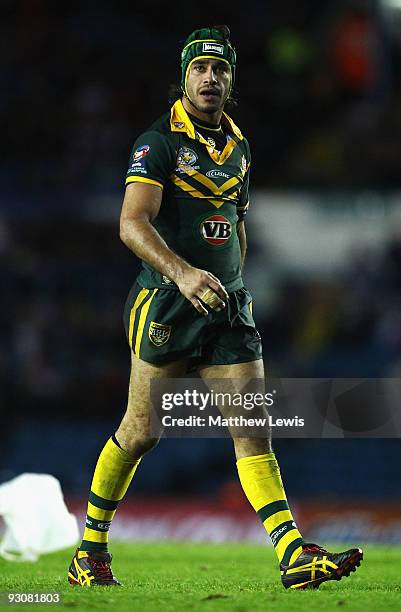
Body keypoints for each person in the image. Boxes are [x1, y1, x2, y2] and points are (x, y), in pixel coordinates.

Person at [68, 25, 363, 590]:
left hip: (226, 307)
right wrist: (182, 273)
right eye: (200, 68)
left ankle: (293, 555)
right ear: (184, 77)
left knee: (252, 430)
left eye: (220, 69)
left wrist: (235, 279)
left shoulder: (239, 146)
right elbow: (131, 222)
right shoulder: (158, 142)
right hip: (166, 303)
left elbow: (237, 221)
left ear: (231, 81)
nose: (210, 78)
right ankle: (90, 550)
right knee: (141, 431)